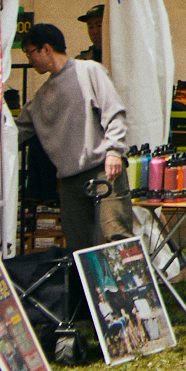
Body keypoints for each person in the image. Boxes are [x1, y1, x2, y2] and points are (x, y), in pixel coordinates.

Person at [22, 23, 130, 249]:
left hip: (103, 170)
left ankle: (132, 284)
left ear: (47, 48)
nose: (29, 59)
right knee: (78, 250)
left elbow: (115, 113)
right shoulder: (41, 97)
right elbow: (16, 130)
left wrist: (114, 151)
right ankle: (85, 287)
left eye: (30, 52)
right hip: (69, 182)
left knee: (116, 237)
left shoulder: (89, 71)